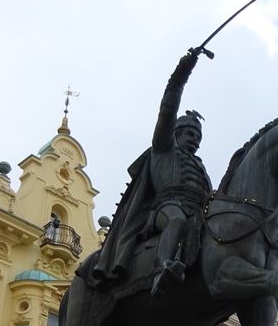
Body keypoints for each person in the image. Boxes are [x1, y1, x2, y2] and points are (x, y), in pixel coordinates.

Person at [86, 48, 213, 295]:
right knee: (176, 220)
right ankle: (161, 271)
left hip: (197, 214)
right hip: (166, 208)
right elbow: (168, 109)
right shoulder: (164, 148)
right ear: (176, 133)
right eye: (190, 134)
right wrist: (182, 73)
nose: (195, 140)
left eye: (198, 137)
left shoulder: (200, 166)